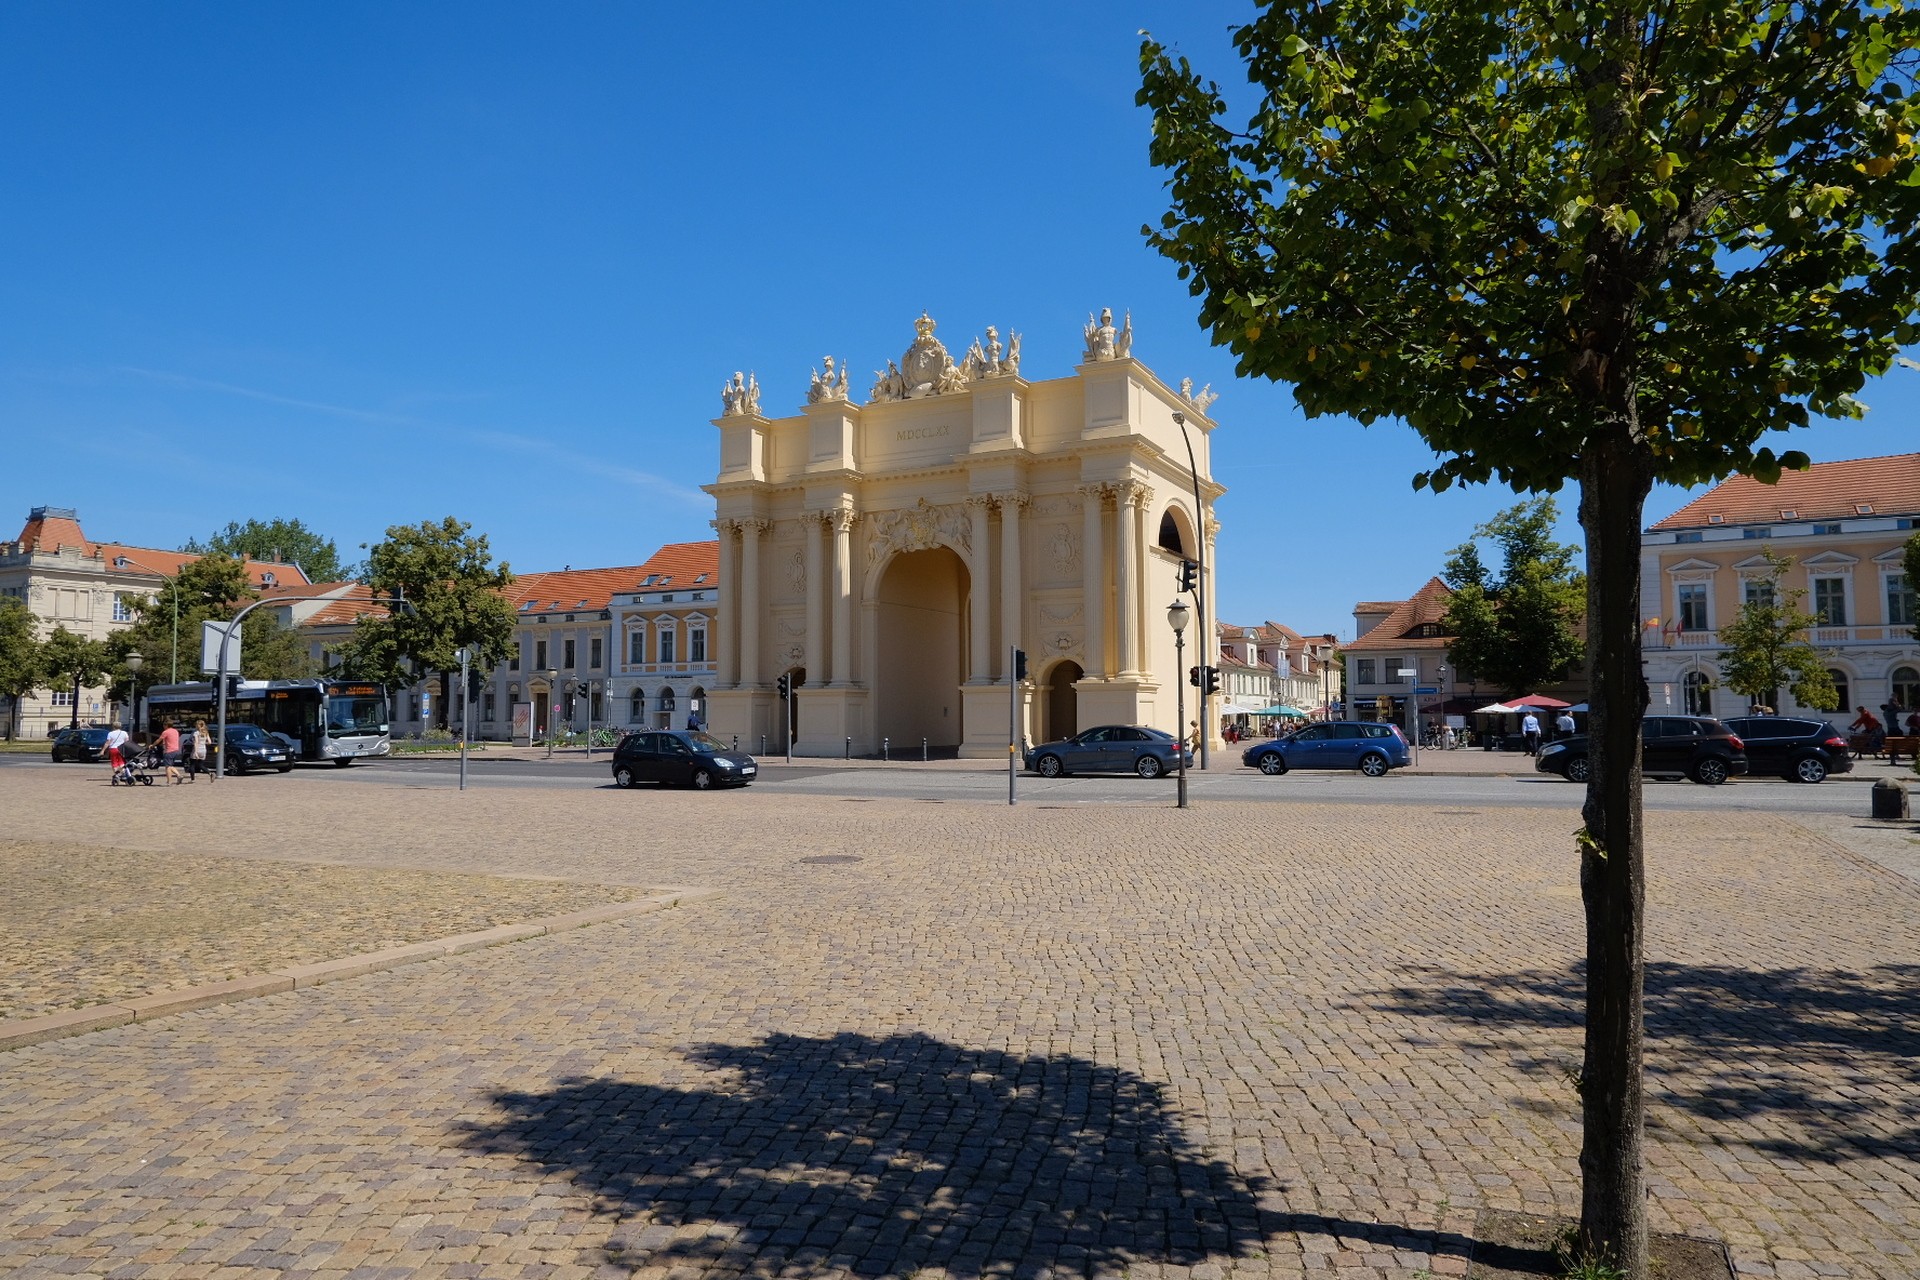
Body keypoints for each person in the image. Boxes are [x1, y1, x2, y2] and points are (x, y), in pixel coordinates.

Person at [156, 718, 182, 785]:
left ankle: (169, 781)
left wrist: (152, 745)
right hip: (176, 750)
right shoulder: (175, 731)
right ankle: (178, 775)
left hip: (169, 750)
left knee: (167, 767)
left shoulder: (166, 732)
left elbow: (159, 740)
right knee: (170, 765)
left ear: (166, 725)